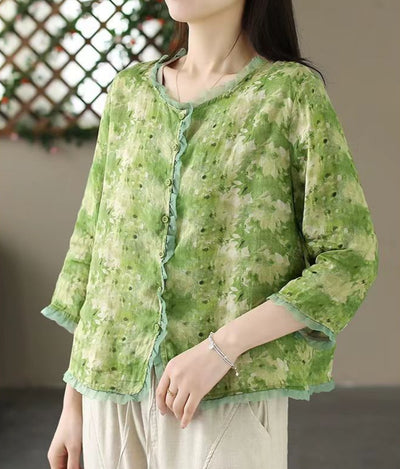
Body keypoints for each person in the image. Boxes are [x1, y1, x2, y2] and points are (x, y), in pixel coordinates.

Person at [42, 1, 379, 468]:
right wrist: (74, 401)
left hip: (225, 392)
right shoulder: (130, 93)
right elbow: (96, 249)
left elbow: (349, 256)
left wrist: (223, 348)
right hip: (110, 396)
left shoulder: (287, 94)